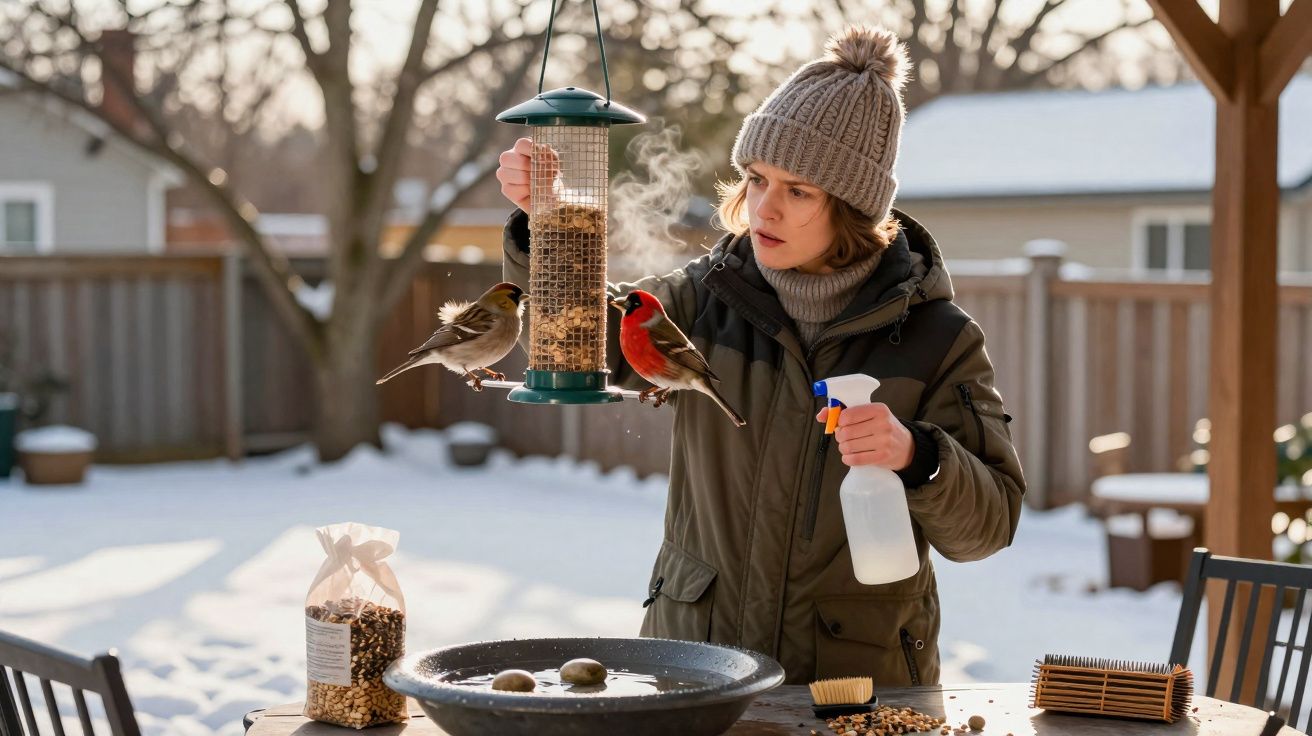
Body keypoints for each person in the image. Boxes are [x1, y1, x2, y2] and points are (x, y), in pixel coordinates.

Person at [496, 24, 1025, 686]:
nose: (763, 208)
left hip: (857, 684)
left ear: (853, 207)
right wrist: (543, 223)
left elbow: (990, 525)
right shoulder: (705, 297)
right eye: (756, 177)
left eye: (798, 190)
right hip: (694, 667)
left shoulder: (936, 337)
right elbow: (585, 343)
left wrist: (916, 456)